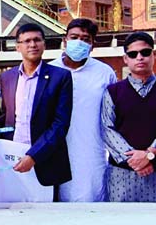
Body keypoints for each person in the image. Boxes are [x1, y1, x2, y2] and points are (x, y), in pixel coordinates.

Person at [0, 23, 73, 199]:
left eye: (37, 40)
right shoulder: (7, 77)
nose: (32, 45)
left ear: (44, 45)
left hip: (45, 160)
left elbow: (60, 124)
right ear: (18, 47)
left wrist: (34, 156)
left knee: (47, 218)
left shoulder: (60, 77)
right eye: (26, 41)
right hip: (13, 159)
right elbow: (10, 115)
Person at [101, 32, 156, 202]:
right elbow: (107, 128)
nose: (139, 57)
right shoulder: (113, 92)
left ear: (154, 55)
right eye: (133, 54)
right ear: (126, 59)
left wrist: (149, 154)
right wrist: (135, 161)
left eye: (145, 52)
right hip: (122, 176)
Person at [49, 18, 117, 202]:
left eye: (85, 39)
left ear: (92, 45)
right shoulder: (50, 70)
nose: (79, 42)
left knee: (91, 203)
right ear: (64, 40)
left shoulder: (104, 73)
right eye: (74, 37)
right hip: (56, 149)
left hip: (92, 151)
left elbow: (113, 115)